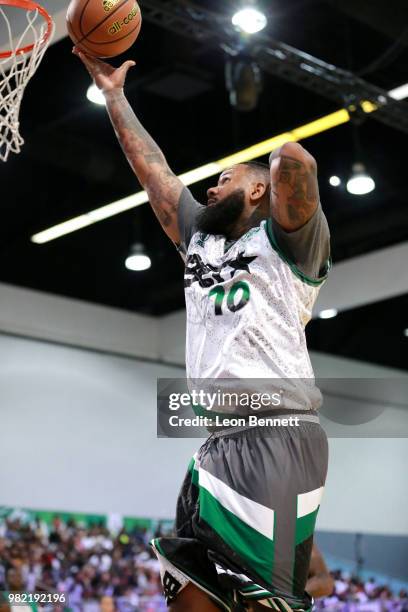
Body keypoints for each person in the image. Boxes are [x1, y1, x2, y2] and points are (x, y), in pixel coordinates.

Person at [74, 48, 331, 612]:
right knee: (189, 597)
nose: (210, 190)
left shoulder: (290, 245)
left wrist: (279, 157)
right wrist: (114, 94)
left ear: (261, 192)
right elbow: (154, 172)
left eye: (224, 180)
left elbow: (297, 164)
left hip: (279, 438)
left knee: (267, 604)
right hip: (215, 443)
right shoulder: (200, 241)